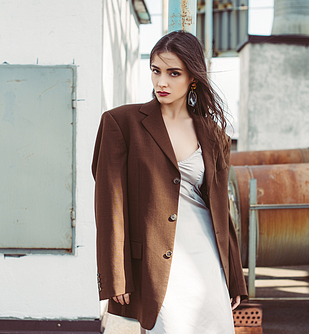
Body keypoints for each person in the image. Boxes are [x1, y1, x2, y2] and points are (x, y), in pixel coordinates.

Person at [92, 30, 247, 333]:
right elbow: (109, 204)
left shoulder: (213, 134)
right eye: (155, 71)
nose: (161, 82)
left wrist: (235, 278)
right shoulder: (121, 123)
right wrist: (115, 273)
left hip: (207, 257)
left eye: (173, 73)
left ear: (192, 77)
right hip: (156, 262)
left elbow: (220, 210)